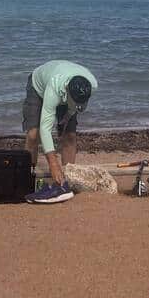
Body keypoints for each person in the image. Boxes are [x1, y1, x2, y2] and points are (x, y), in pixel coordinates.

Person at [23, 59, 98, 204]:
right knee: (34, 133)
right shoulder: (54, 88)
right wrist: (53, 165)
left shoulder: (92, 84)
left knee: (69, 135)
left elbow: (75, 107)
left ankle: (66, 182)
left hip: (68, 94)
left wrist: (66, 118)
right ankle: (28, 179)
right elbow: (46, 128)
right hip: (39, 86)